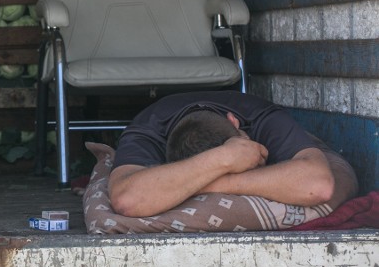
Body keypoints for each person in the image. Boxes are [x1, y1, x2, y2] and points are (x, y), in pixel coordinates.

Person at [107, 90, 359, 218]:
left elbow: (319, 186)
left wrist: (209, 181)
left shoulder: (262, 116)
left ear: (234, 122)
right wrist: (225, 159)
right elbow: (127, 200)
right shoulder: (145, 131)